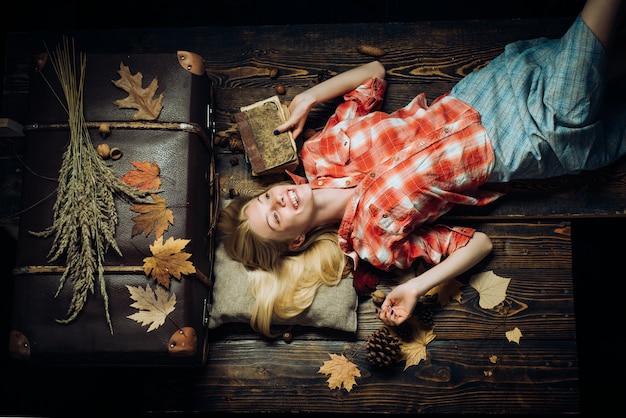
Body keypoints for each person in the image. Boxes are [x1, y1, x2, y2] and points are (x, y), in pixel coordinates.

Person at [218, 0, 625, 335]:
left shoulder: (319, 152)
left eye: (269, 196)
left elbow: (373, 77)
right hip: (525, 143)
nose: (281, 198)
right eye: (275, 216)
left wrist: (308, 97)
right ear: (294, 241)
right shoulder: (373, 244)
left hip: (486, 90)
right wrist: (415, 286)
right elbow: (477, 244)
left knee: (605, 63)